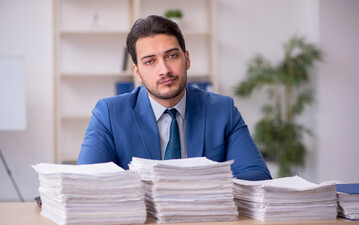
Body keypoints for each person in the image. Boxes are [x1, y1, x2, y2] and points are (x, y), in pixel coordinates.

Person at [78, 15, 271, 180]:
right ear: (137, 72)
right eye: (150, 61)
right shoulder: (109, 115)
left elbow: (256, 177)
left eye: (171, 56)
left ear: (187, 59)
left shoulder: (222, 110)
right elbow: (88, 183)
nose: (164, 70)